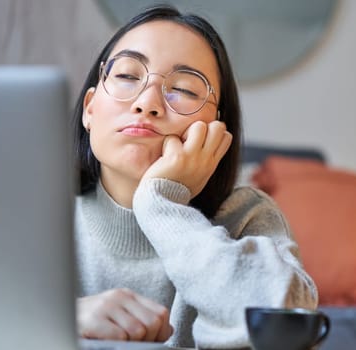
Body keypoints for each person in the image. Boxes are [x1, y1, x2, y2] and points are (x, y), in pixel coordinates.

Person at [70, 4, 318, 349]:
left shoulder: (247, 218)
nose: (148, 102)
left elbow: (286, 333)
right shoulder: (38, 218)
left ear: (218, 129)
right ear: (89, 109)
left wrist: (161, 202)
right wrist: (62, 318)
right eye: (127, 75)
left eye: (184, 89)